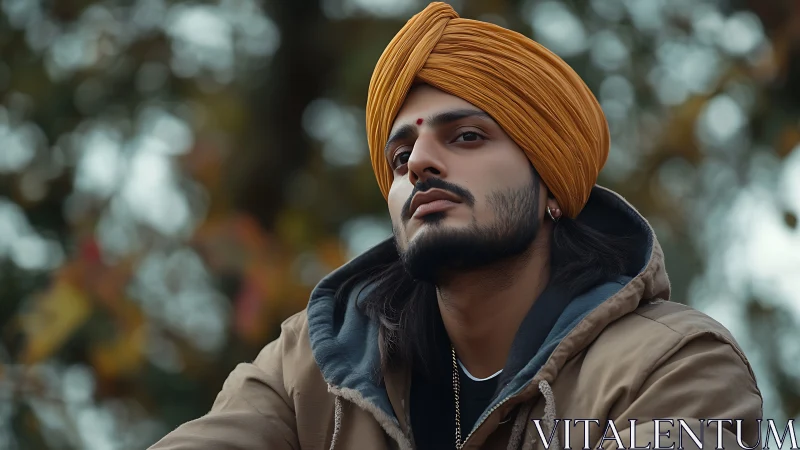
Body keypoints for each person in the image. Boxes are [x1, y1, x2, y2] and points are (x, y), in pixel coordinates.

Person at [149, 3, 763, 449]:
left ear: (551, 185)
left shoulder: (672, 366)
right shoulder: (313, 365)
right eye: (399, 156)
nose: (417, 163)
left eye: (466, 136)